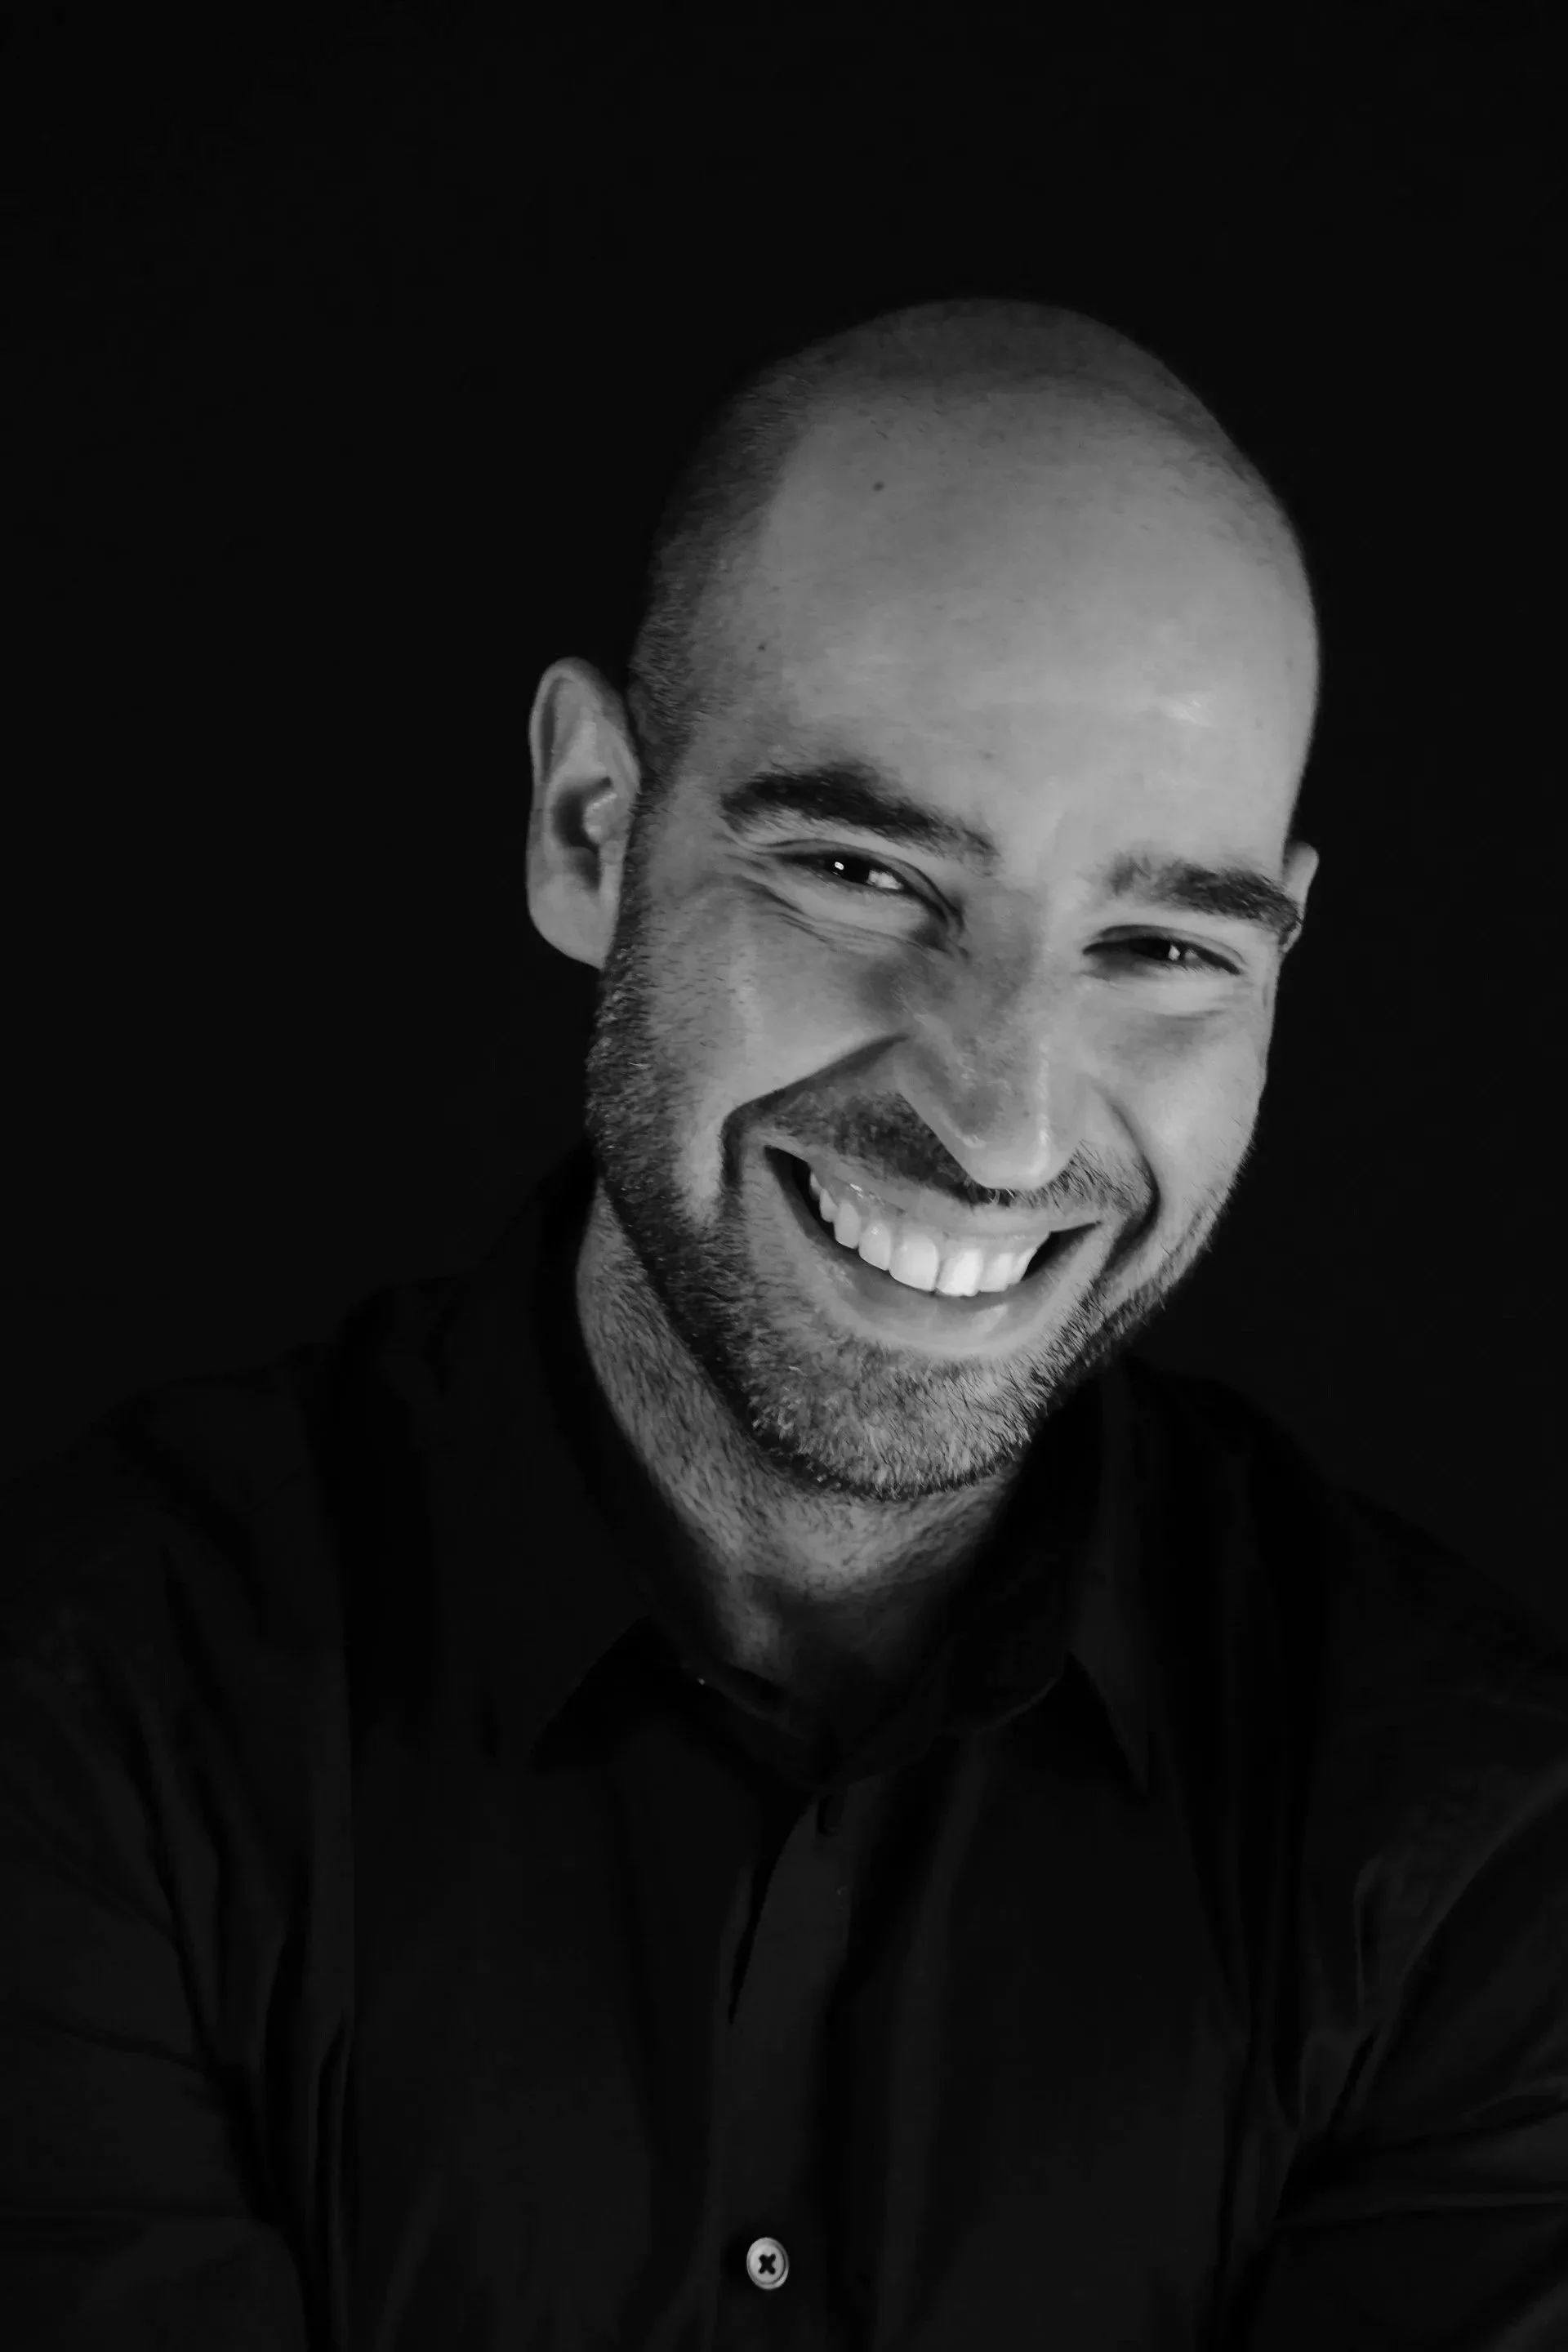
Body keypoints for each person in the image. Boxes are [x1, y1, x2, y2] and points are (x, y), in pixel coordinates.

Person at [4, 296, 1567, 2350]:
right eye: (863, 872)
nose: (1004, 1126)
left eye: (1162, 947)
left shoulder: (1472, 1841)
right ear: (592, 824)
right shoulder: (88, 1709)